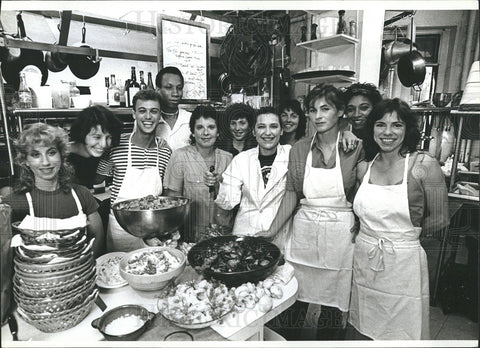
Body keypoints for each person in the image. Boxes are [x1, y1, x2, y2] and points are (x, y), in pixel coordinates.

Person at [260, 84, 364, 340]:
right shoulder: (300, 148)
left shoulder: (354, 147)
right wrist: (271, 231)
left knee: (332, 309)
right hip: (305, 233)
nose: (317, 116)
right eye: (312, 110)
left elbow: (364, 192)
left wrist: (361, 224)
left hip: (340, 238)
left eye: (325, 109)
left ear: (340, 112)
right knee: (294, 300)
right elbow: (292, 193)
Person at [348, 98, 449, 340]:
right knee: (364, 327)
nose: (388, 132)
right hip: (365, 259)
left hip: (403, 265)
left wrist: (403, 238)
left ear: (408, 129)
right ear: (372, 129)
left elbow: (441, 218)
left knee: (401, 331)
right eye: (380, 125)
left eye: (397, 125)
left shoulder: (424, 165)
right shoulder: (365, 167)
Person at [0, 123, 104, 258]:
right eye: (36, 154)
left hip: (81, 274)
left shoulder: (82, 194)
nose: (45, 162)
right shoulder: (14, 202)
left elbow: (99, 235)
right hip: (36, 277)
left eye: (51, 152)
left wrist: (83, 267)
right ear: (25, 160)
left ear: (62, 155)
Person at [95, 90, 171, 252]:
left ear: (160, 116)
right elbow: (96, 180)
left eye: (154, 111)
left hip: (153, 229)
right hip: (120, 229)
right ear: (134, 114)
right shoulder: (116, 144)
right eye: (142, 111)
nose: (148, 117)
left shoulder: (164, 150)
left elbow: (166, 194)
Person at [215, 107, 290, 247]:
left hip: (281, 232)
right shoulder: (241, 160)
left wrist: (345, 131)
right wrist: (218, 185)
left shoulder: (292, 154)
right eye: (261, 127)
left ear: (282, 130)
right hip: (246, 232)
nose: (267, 132)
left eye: (273, 126)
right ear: (254, 131)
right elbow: (228, 202)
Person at [163, 105, 232, 242]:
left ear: (218, 132)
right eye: (200, 127)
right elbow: (172, 202)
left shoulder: (228, 159)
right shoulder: (180, 157)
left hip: (224, 235)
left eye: (211, 127)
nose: (206, 133)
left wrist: (220, 183)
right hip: (192, 237)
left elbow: (234, 201)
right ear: (193, 132)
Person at [68, 105, 122, 189]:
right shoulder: (63, 157)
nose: (104, 144)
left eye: (109, 137)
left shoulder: (107, 155)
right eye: (97, 137)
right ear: (82, 134)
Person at [154, 66, 192, 150]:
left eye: (179, 88)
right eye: (168, 87)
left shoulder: (191, 119)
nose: (175, 93)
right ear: (158, 90)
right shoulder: (148, 120)